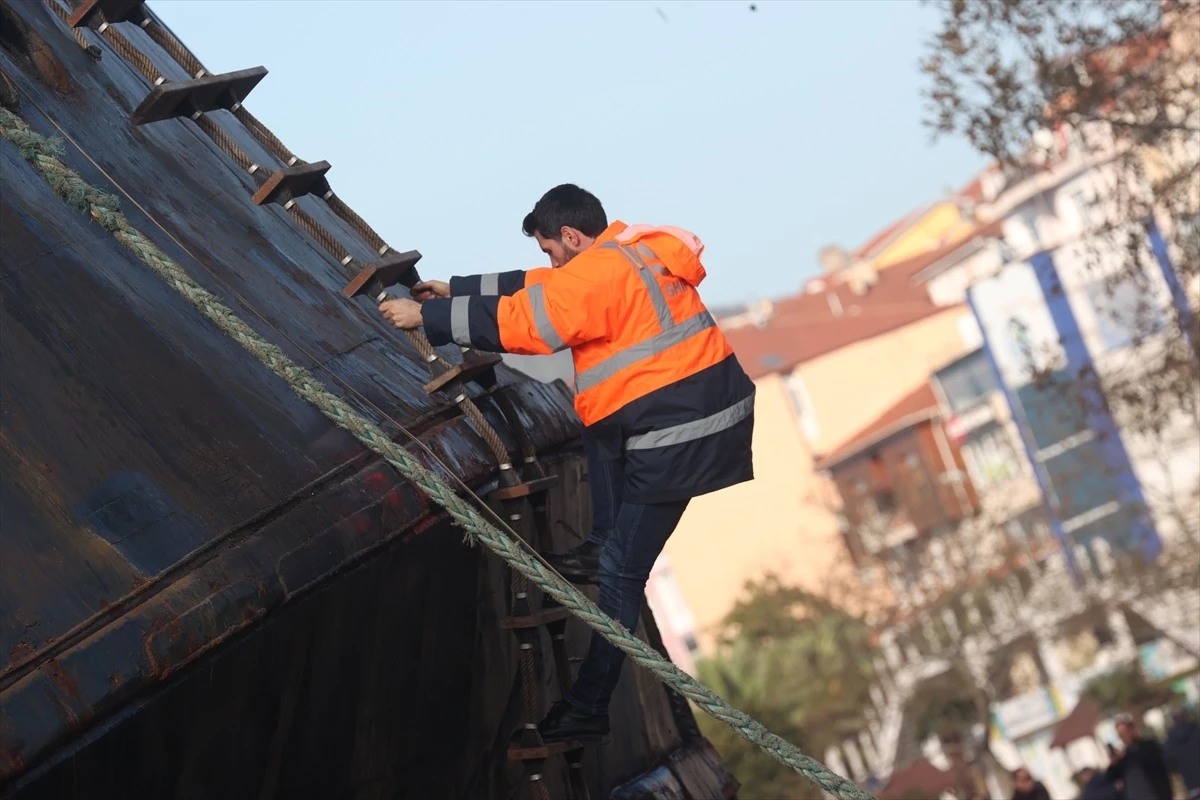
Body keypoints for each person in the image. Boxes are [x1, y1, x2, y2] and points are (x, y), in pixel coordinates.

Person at [378, 184, 755, 742]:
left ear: (572, 237)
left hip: (680, 435)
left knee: (621, 574)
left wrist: (429, 321)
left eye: (552, 249)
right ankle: (602, 540)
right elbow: (540, 287)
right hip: (693, 412)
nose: (549, 261)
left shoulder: (594, 277)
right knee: (596, 423)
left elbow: (531, 324)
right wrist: (452, 290)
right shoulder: (626, 252)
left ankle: (589, 705)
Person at [1106, 713, 1173, 800]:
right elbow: (1110, 777)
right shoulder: (1123, 757)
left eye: (1125, 733)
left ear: (1132, 730)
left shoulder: (1148, 746)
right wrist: (1113, 763)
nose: (1124, 738)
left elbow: (1160, 764)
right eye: (1120, 736)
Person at [1164, 707, 1200, 799]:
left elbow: (1171, 767)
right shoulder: (1197, 731)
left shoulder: (1169, 743)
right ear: (1187, 716)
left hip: (1192, 790)